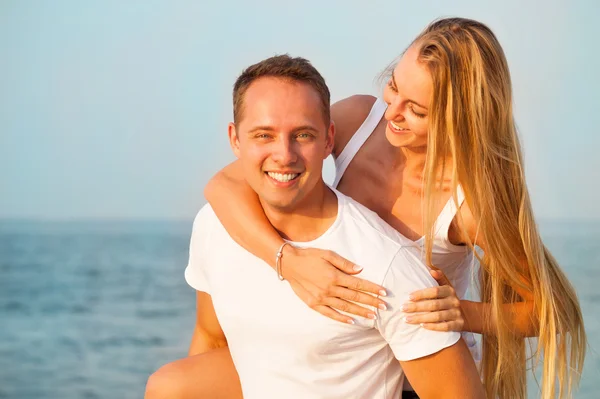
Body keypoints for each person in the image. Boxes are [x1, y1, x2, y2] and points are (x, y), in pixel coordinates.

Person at [199, 18, 586, 399]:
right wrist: (287, 260)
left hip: (411, 380)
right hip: (342, 359)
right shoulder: (358, 121)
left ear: (461, 118)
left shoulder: (471, 204)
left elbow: (551, 312)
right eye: (393, 87)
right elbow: (225, 184)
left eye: (416, 110)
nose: (392, 112)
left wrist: (464, 313)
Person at [146, 54, 485, 399]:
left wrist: (466, 312)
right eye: (263, 135)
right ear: (235, 139)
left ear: (328, 140)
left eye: (303, 135)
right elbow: (211, 337)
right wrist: (286, 260)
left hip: (411, 373)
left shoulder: (388, 264)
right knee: (170, 387)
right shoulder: (215, 224)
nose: (284, 154)